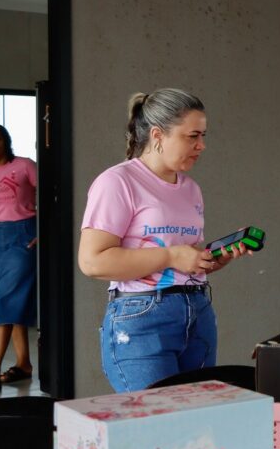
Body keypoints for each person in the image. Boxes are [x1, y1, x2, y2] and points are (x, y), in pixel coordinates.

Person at [78, 88, 248, 392]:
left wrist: (210, 260)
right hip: (141, 318)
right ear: (158, 135)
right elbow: (92, 261)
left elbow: (184, 260)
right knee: (155, 428)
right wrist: (171, 256)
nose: (202, 146)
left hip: (197, 311)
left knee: (197, 425)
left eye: (203, 136)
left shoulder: (190, 188)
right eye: (192, 136)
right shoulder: (117, 182)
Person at [0, 124, 37, 393]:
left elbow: (52, 196)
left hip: (23, 235)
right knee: (5, 300)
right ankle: (24, 363)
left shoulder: (25, 166)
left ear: (7, 141)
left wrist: (44, 231)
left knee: (4, 300)